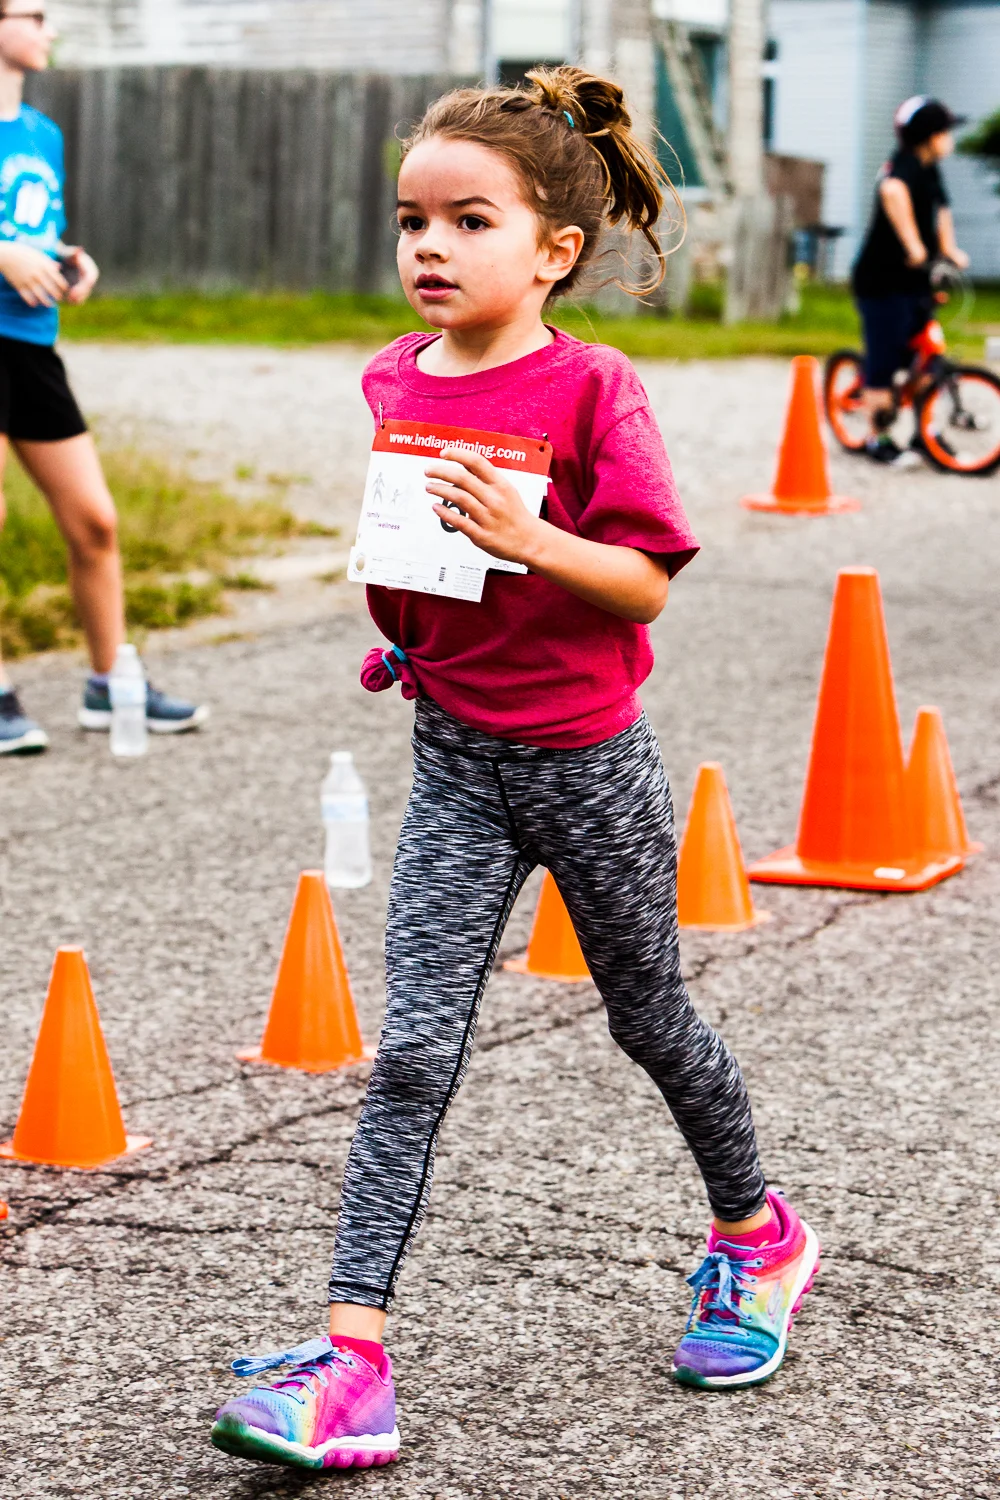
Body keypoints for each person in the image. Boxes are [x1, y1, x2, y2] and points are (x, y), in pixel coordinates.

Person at [210, 67, 820, 1472]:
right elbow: (421, 548)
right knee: (414, 1053)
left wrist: (533, 537)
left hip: (588, 767)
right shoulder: (393, 374)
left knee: (650, 1020)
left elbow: (643, 583)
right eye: (410, 220)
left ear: (554, 250)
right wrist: (404, 622)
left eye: (467, 221)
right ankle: (351, 1359)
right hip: (454, 763)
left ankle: (757, 1237)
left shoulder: (596, 387)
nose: (428, 246)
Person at [0, 0, 206, 755]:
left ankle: (108, 683)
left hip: (31, 346)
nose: (49, 29)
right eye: (35, 14)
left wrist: (65, 262)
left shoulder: (42, 134)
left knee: (95, 522)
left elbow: (32, 231)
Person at [851, 96, 969, 467]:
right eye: (945, 132)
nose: (949, 139)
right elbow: (892, 192)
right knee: (884, 362)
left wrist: (949, 248)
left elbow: (943, 211)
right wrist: (914, 245)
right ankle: (879, 438)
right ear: (929, 136)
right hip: (882, 281)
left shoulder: (931, 170)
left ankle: (923, 435)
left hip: (914, 280)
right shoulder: (902, 165)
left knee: (926, 356)